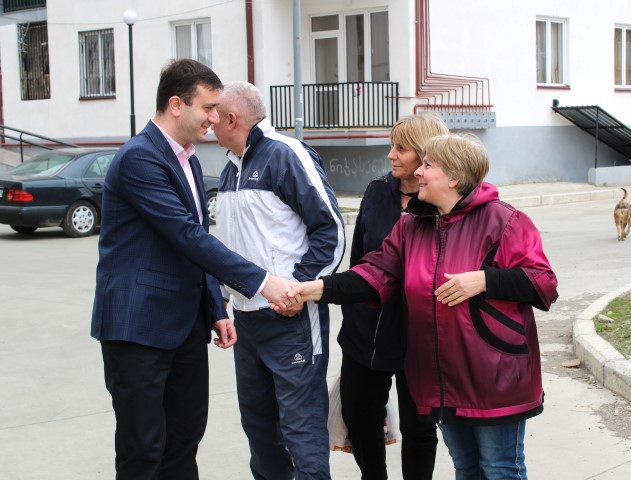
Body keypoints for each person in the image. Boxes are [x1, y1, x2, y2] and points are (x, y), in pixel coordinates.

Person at [277, 133, 559, 480]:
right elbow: (375, 272)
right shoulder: (413, 225)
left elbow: (543, 281)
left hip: (493, 376)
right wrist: (317, 288)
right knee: (466, 468)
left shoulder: (504, 221)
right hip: (442, 376)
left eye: (428, 165)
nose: (418, 173)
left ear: (454, 177)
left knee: (500, 469)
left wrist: (484, 280)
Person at [91, 59, 292, 480]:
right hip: (137, 327)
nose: (215, 119)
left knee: (184, 442)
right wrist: (260, 282)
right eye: (208, 108)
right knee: (143, 449)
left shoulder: (190, 160)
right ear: (177, 104)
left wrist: (215, 308)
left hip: (183, 327)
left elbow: (191, 242)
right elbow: (186, 236)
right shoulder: (138, 159)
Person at [211, 81, 345, 480]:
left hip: (290, 319)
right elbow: (232, 246)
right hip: (247, 320)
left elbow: (331, 231)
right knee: (258, 427)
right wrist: (221, 299)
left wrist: (299, 289)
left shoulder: (285, 155)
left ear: (232, 119)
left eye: (214, 116)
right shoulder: (229, 168)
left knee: (301, 429)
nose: (208, 124)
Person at [338, 113, 448, 480]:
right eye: (392, 145)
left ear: (425, 155)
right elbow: (359, 262)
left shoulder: (445, 203)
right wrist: (351, 316)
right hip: (366, 334)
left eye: (401, 147)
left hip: (420, 338)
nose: (391, 155)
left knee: (420, 428)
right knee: (359, 417)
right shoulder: (376, 191)